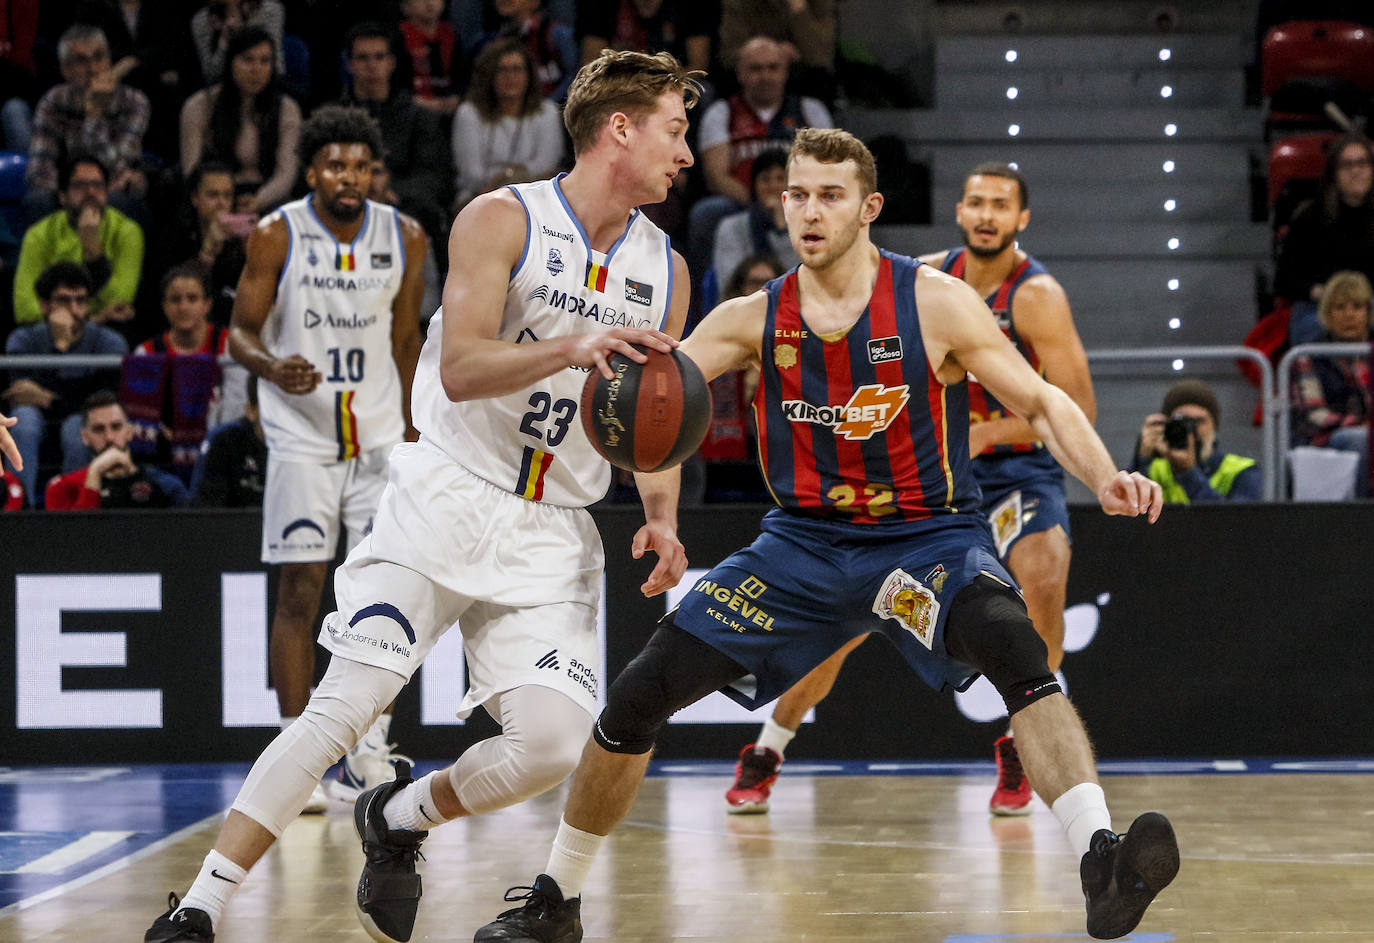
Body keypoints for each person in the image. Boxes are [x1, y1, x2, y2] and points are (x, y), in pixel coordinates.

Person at [475, 128, 1178, 943]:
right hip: (800, 547)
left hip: (923, 540)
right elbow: (654, 409)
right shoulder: (753, 315)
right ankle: (555, 900)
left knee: (1017, 648)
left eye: (830, 195)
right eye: (797, 194)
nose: (810, 211)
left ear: (869, 208)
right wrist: (660, 516)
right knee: (635, 695)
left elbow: (1046, 401)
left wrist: (1105, 477)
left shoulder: (933, 301)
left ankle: (1101, 857)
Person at [141, 48, 696, 943]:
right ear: (619, 129)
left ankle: (396, 819)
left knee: (554, 745)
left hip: (555, 527)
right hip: (445, 491)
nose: (687, 153)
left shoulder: (666, 268)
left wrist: (662, 517)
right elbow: (467, 367)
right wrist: (572, 346)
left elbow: (654, 420)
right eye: (674, 130)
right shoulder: (500, 218)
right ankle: (202, 901)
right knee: (347, 704)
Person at [723, 160, 1096, 818]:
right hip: (924, 468)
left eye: (1000, 205)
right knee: (843, 618)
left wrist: (986, 434)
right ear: (958, 211)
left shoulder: (1037, 296)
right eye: (976, 202)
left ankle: (1017, 741)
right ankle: (770, 744)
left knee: (1045, 571)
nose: (986, 215)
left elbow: (1076, 405)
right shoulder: (920, 280)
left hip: (1014, 466)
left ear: (1021, 220)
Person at [231, 104, 426, 812]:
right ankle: (298, 756)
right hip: (301, 439)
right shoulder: (275, 233)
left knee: (382, 598)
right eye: (334, 164)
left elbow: (407, 341)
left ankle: (370, 747)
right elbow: (240, 335)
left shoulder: (406, 236)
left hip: (378, 441)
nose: (348, 176)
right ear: (311, 169)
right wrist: (271, 366)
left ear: (374, 173)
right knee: (300, 590)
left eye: (360, 165)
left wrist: (412, 432)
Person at [689, 36, 832, 288]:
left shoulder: (811, 110)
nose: (765, 75)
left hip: (801, 203)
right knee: (707, 212)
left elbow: (827, 169)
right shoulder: (722, 112)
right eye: (755, 68)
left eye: (773, 68)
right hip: (741, 201)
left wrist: (792, 203)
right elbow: (716, 176)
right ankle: (705, 305)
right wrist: (761, 203)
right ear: (740, 73)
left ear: (785, 72)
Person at [4, 261, 128, 506]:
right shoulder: (23, 339)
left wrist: (49, 398)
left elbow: (101, 402)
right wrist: (61, 349)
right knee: (23, 419)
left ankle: (72, 509)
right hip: (39, 419)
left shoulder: (110, 343)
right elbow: (19, 393)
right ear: (44, 305)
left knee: (77, 428)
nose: (74, 310)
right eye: (64, 301)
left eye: (80, 301)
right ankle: (17, 508)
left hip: (81, 419)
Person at [336, 21, 452, 254]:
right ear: (350, 65)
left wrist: (391, 192)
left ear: (391, 63)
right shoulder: (333, 119)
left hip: (404, 207)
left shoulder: (418, 116)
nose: (372, 65)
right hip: (343, 204)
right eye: (363, 58)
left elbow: (434, 175)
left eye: (379, 57)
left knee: (423, 212)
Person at [24, 23, 149, 221]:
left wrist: (93, 116)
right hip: (65, 194)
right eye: (82, 61)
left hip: (111, 195)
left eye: (99, 57)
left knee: (120, 200)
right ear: (65, 70)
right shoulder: (52, 102)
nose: (93, 69)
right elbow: (38, 171)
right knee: (38, 200)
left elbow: (117, 168)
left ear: (109, 60)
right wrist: (78, 193)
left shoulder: (134, 102)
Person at [13, 152, 144, 332]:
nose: (90, 192)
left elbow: (119, 303)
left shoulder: (127, 232)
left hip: (104, 334)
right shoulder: (39, 234)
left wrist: (94, 254)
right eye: (80, 186)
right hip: (50, 332)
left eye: (97, 185)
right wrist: (92, 318)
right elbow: (24, 309)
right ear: (63, 196)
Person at [180, 26, 302, 215]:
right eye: (248, 60)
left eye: (265, 61)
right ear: (231, 62)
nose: (256, 69)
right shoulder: (198, 105)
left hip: (269, 196)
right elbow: (192, 171)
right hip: (215, 195)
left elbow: (286, 175)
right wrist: (223, 201)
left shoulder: (287, 108)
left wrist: (258, 201)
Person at [1274, 133, 1374, 344]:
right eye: (1347, 165)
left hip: (1369, 306)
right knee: (1315, 329)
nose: (1356, 171)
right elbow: (1283, 281)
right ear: (1333, 174)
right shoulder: (1309, 217)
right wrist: (1320, 292)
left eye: (1362, 163)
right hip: (1320, 308)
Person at [451, 37, 565, 208]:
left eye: (517, 69)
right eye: (502, 70)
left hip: (534, 199)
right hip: (478, 198)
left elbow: (546, 164)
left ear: (529, 75)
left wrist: (507, 178)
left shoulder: (547, 112)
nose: (510, 77)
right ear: (489, 75)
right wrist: (514, 177)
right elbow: (471, 174)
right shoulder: (469, 113)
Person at [1288, 269, 1371, 497]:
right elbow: (1314, 415)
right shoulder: (1309, 355)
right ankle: (1364, 518)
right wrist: (1361, 423)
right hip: (1328, 439)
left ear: (1368, 312)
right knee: (1360, 440)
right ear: (1327, 313)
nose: (1349, 315)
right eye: (1340, 307)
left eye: (1357, 307)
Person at [143, 160, 248, 328]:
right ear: (195, 198)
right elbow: (175, 292)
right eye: (213, 195)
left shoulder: (240, 239)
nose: (221, 203)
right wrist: (207, 254)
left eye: (227, 195)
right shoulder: (172, 236)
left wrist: (250, 253)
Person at [44, 388, 190, 509]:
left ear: (129, 432)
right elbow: (74, 540)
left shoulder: (168, 487)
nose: (109, 437)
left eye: (116, 427)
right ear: (85, 437)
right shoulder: (63, 488)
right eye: (98, 429)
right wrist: (94, 474)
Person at [1131, 378, 1261, 503]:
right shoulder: (1154, 469)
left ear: (1214, 425)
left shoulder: (1241, 471)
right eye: (1182, 421)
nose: (1191, 430)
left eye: (1198, 421)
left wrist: (1188, 473)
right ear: (1167, 425)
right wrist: (1141, 458)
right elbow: (1125, 515)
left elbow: (1236, 523)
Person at [710, 147, 798, 293]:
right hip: (741, 308)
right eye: (765, 179)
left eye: (780, 178)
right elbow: (729, 283)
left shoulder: (804, 228)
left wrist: (782, 229)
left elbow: (800, 283)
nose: (773, 186)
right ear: (754, 185)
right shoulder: (730, 227)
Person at [192, 374, 267, 508]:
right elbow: (207, 512)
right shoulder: (224, 441)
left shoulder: (299, 444)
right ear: (250, 411)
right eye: (271, 408)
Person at [576, 0, 712, 74]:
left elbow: (698, 66)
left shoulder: (693, 4)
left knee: (702, 93)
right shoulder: (601, 4)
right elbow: (590, 63)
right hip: (617, 83)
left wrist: (660, 86)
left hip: (671, 83)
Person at [189, 0, 286, 83]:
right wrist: (225, 38)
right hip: (224, 89)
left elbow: (276, 66)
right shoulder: (202, 20)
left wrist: (240, 28)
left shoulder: (270, 10)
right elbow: (211, 75)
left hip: (269, 84)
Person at [398, 0, 465, 115]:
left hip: (449, 106)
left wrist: (456, 97)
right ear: (405, 6)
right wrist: (413, 99)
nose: (429, 3)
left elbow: (461, 76)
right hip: (412, 107)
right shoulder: (399, 36)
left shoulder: (452, 34)